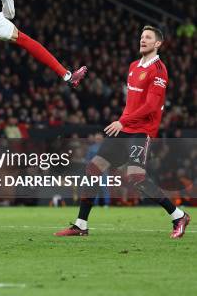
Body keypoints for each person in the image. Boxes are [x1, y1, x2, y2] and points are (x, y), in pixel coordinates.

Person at [55, 26, 190, 238]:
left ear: (158, 44)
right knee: (93, 168)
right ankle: (81, 225)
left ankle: (178, 215)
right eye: (141, 37)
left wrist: (122, 121)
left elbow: (151, 107)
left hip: (141, 132)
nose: (143, 40)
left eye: (148, 38)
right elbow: (133, 104)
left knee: (136, 177)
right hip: (125, 129)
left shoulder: (159, 71)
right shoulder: (133, 66)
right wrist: (123, 123)